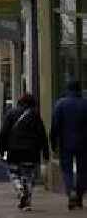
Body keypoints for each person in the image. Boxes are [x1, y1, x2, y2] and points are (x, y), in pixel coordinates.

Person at [0, 93, 49, 211]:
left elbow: (4, 132)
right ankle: (27, 202)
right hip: (31, 152)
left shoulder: (11, 113)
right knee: (29, 176)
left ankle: (20, 190)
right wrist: (45, 152)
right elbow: (42, 135)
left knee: (14, 173)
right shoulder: (35, 116)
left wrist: (1, 148)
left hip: (14, 151)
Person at [51, 80, 87, 210]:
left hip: (66, 143)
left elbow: (55, 125)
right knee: (83, 170)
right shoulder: (85, 104)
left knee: (67, 169)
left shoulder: (60, 104)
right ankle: (79, 195)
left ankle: (70, 190)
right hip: (84, 143)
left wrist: (53, 142)